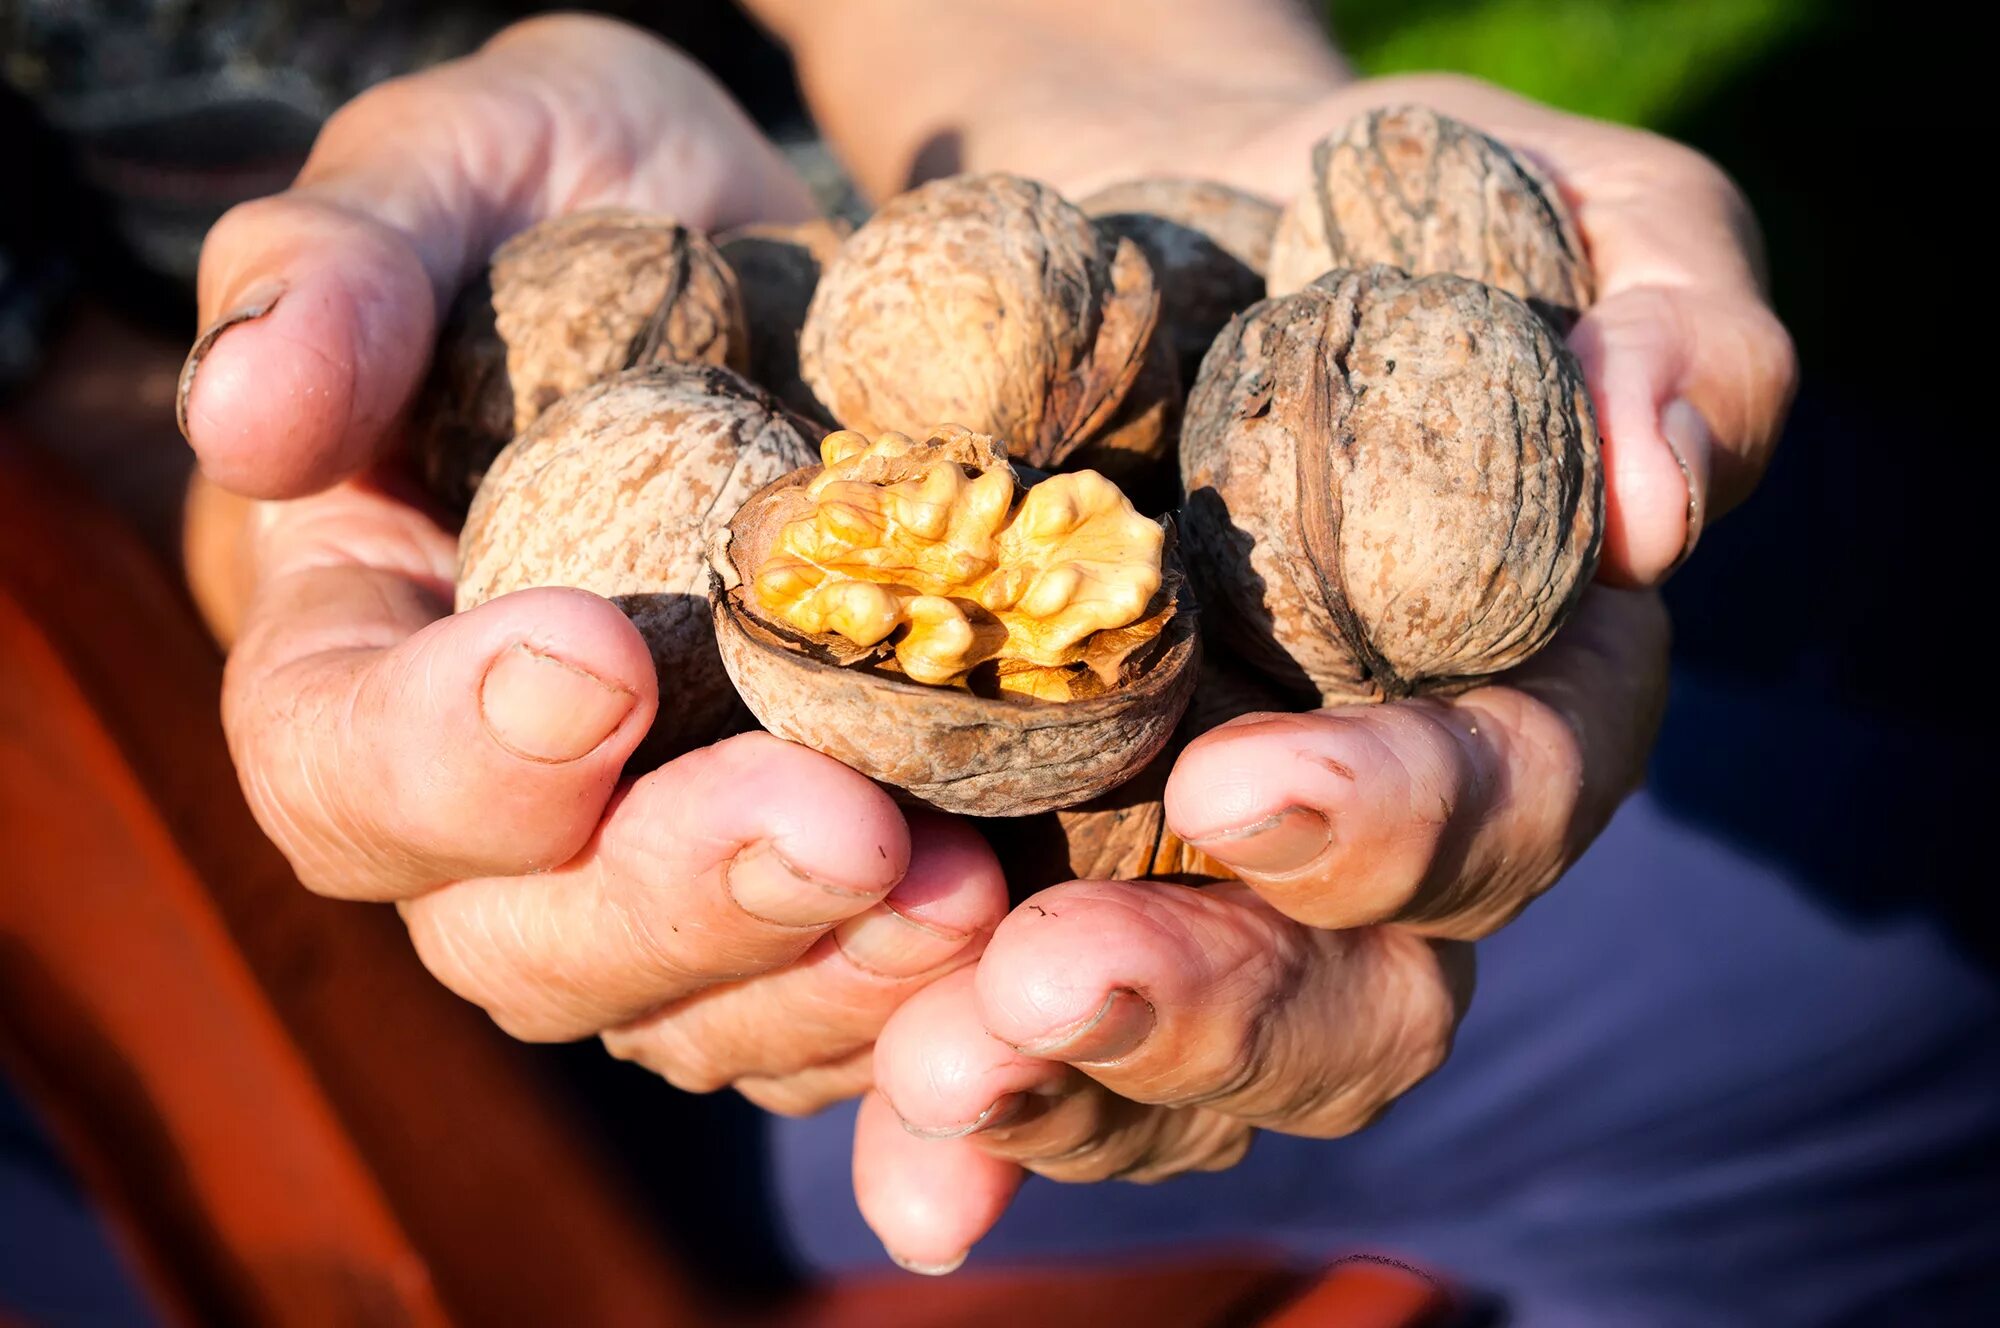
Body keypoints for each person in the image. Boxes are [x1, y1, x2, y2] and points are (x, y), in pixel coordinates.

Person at [27, 4, 1998, 1322]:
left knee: (1890, 599)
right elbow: (113, 419)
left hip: (849, 267)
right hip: (198, 933)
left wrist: (1110, 59)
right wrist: (247, 497)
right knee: (1920, 1008)